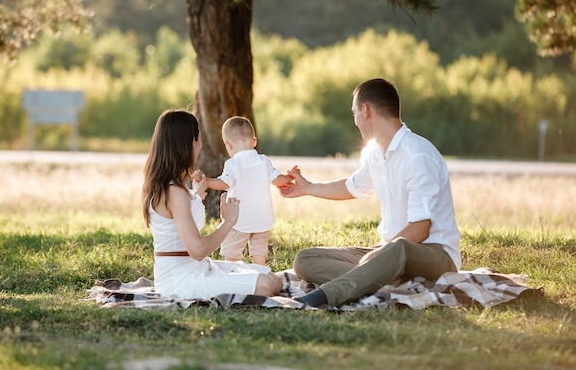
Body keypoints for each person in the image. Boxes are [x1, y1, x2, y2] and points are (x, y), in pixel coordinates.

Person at [280, 78, 461, 307]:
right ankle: (375, 279)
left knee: (399, 248)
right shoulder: (376, 153)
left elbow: (420, 229)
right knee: (305, 259)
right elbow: (350, 186)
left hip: (434, 255)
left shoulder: (417, 156)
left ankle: (328, 295)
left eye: (354, 112)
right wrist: (307, 187)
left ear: (365, 111)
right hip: (389, 251)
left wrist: (377, 257)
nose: (354, 120)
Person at [141, 109, 282, 300]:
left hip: (200, 268)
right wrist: (228, 222)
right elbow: (198, 250)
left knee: (269, 276)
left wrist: (197, 195)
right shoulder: (174, 192)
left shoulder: (176, 189)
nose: (201, 143)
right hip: (182, 280)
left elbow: (180, 219)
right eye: (198, 138)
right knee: (268, 285)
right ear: (190, 142)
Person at [194, 116, 292, 265]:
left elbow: (223, 183)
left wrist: (206, 181)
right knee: (259, 251)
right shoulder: (263, 161)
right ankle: (259, 271)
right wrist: (290, 177)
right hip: (262, 219)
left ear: (228, 145)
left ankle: (233, 271)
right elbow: (277, 180)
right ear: (254, 141)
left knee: (232, 251)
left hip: (239, 219)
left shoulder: (232, 164)